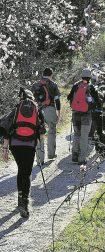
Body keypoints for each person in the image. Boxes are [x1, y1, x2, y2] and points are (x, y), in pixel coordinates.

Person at [0, 88, 46, 218]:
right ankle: (24, 202)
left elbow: (6, 129)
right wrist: (39, 142)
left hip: (16, 145)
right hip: (29, 145)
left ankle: (21, 199)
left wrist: (5, 149)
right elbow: (42, 132)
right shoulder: (37, 109)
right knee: (26, 173)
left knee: (21, 170)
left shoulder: (16, 110)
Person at [67, 68, 100, 165]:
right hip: (86, 115)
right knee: (84, 136)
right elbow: (97, 101)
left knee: (77, 134)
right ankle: (82, 159)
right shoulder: (91, 87)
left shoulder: (76, 85)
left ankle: (74, 156)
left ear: (81, 76)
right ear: (90, 77)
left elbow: (69, 97)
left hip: (75, 114)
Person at [31, 67, 61, 165]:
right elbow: (57, 100)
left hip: (37, 110)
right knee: (51, 130)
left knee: (39, 133)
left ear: (42, 74)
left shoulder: (35, 84)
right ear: (51, 75)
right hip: (50, 109)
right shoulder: (53, 85)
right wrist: (58, 112)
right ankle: (51, 154)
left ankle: (40, 159)